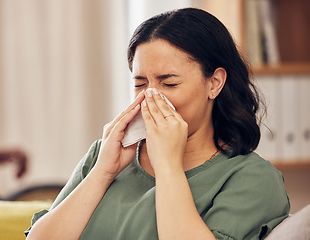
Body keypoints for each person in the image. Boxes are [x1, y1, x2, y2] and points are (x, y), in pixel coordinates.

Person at [25, 8, 289, 240]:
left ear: (214, 83)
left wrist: (168, 166)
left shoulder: (253, 179)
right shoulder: (103, 155)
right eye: (140, 83)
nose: (149, 96)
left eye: (169, 83)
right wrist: (102, 172)